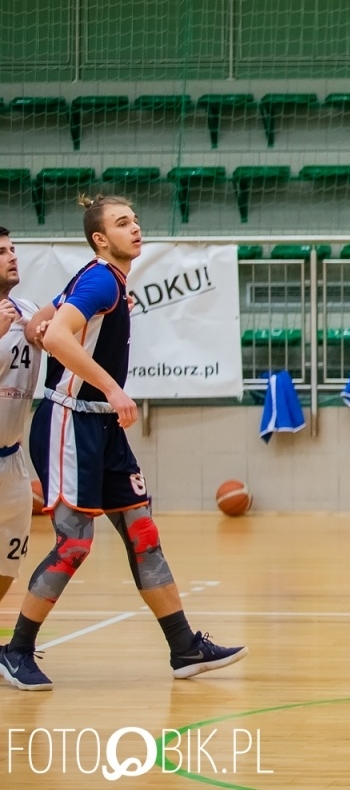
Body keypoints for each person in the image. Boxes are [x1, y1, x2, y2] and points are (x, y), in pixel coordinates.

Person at [0, 197, 246, 691]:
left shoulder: (103, 280)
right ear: (100, 238)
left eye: (134, 220)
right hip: (71, 422)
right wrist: (112, 387)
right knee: (74, 544)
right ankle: (16, 651)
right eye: (121, 223)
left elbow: (40, 327)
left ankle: (184, 647)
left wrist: (40, 326)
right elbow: (57, 338)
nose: (135, 228)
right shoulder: (99, 280)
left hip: (102, 426)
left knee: (143, 534)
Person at [0, 228, 40, 605]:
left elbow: (68, 326)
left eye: (12, 249)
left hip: (12, 459)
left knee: (9, 561)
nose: (12, 256)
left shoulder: (27, 310)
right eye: (1, 252)